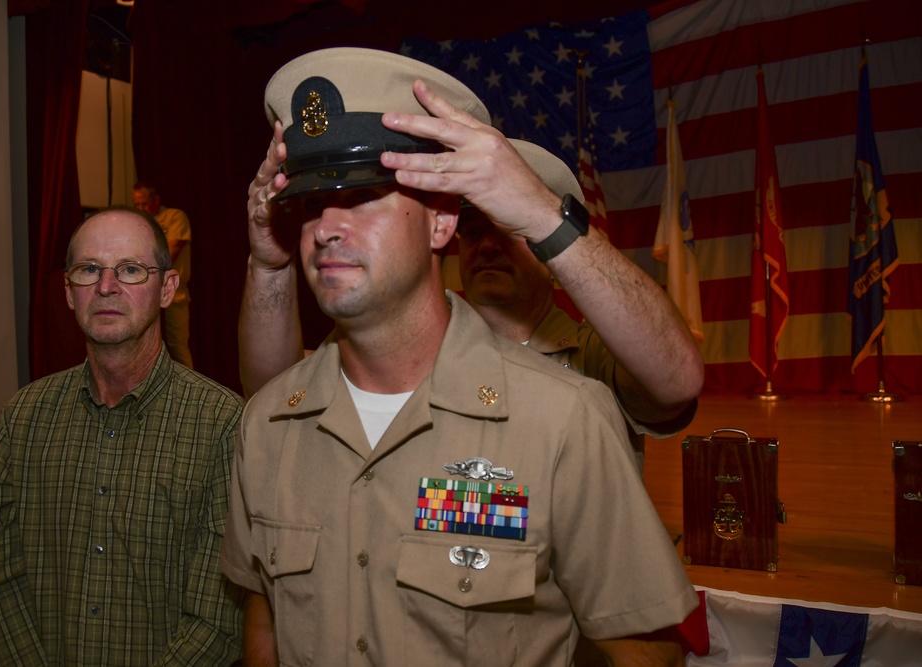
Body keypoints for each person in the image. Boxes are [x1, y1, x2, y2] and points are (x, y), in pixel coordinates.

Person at [221, 46, 697, 666]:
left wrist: (544, 218)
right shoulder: (269, 426)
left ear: (437, 224)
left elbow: (643, 645)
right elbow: (265, 619)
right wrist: (267, 260)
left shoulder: (565, 415)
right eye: (310, 204)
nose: (328, 226)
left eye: (363, 196)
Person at [237, 92, 703, 475]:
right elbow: (274, 398)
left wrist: (547, 219)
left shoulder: (592, 360)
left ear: (550, 254)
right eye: (474, 231)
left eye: (511, 232)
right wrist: (269, 265)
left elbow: (676, 380)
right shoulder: (404, 343)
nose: (487, 246)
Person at [0, 208, 244, 665]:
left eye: (131, 270)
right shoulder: (24, 418)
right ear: (68, 292)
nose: (105, 286)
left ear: (168, 289)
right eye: (88, 270)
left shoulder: (221, 424)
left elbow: (218, 615)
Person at [133, 181, 194, 368]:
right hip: (144, 295)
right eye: (137, 205)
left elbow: (169, 254)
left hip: (174, 294)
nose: (141, 208)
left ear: (156, 199)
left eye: (144, 203)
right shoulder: (138, 224)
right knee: (146, 350)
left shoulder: (174, 216)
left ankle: (189, 393)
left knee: (177, 348)